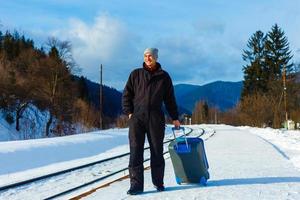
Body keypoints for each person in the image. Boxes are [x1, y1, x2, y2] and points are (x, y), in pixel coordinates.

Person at [122, 47, 180, 195]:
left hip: (155, 118)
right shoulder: (136, 74)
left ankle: (158, 183)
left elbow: (170, 99)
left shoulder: (164, 77)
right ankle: (136, 186)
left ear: (156, 58)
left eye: (151, 56)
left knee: (157, 151)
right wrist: (129, 113)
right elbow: (126, 95)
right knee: (135, 151)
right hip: (137, 118)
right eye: (145, 55)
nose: (148, 58)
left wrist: (175, 117)